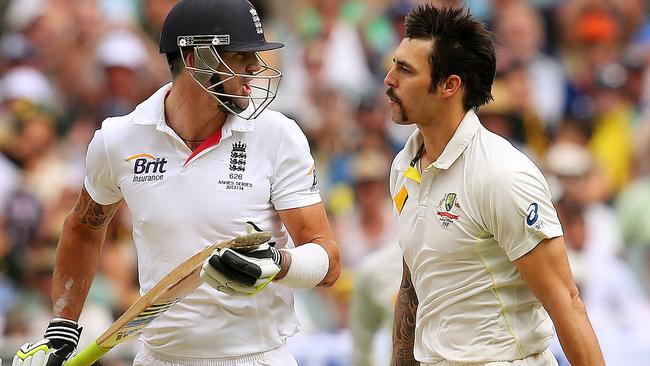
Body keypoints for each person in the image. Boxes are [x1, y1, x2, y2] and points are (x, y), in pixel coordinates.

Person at [12, 1, 341, 365]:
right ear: (197, 57)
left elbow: (328, 260)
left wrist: (278, 263)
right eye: (241, 56)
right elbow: (84, 228)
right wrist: (62, 328)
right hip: (159, 357)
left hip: (257, 356)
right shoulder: (119, 138)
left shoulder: (278, 135)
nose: (254, 68)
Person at [384, 5, 604, 366]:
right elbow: (414, 284)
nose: (389, 79)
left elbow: (567, 303)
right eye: (395, 64)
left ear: (449, 86)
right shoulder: (404, 164)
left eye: (405, 70)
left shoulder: (502, 174)